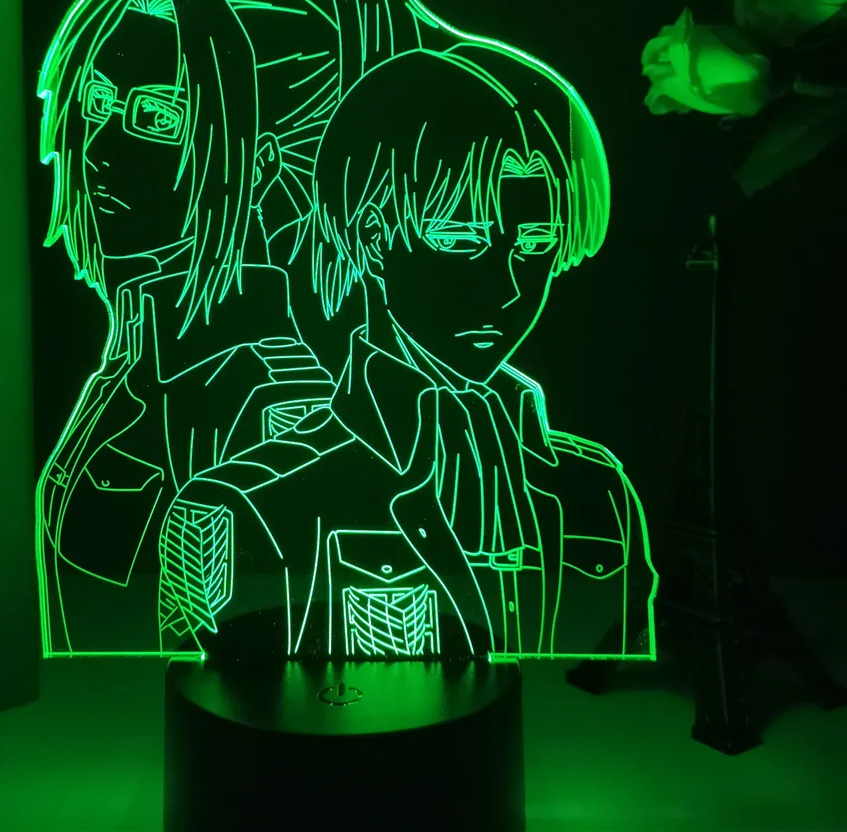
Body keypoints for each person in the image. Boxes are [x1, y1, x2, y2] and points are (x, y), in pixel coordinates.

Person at [157, 45, 658, 659]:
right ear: (372, 238)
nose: (507, 288)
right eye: (460, 237)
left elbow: (611, 669)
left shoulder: (597, 489)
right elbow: (208, 695)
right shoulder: (240, 507)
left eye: (534, 243)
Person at [35, 0, 340, 654]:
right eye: (98, 102)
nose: (101, 146)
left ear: (259, 161)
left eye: (159, 118)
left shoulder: (269, 397)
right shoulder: (136, 359)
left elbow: (257, 654)